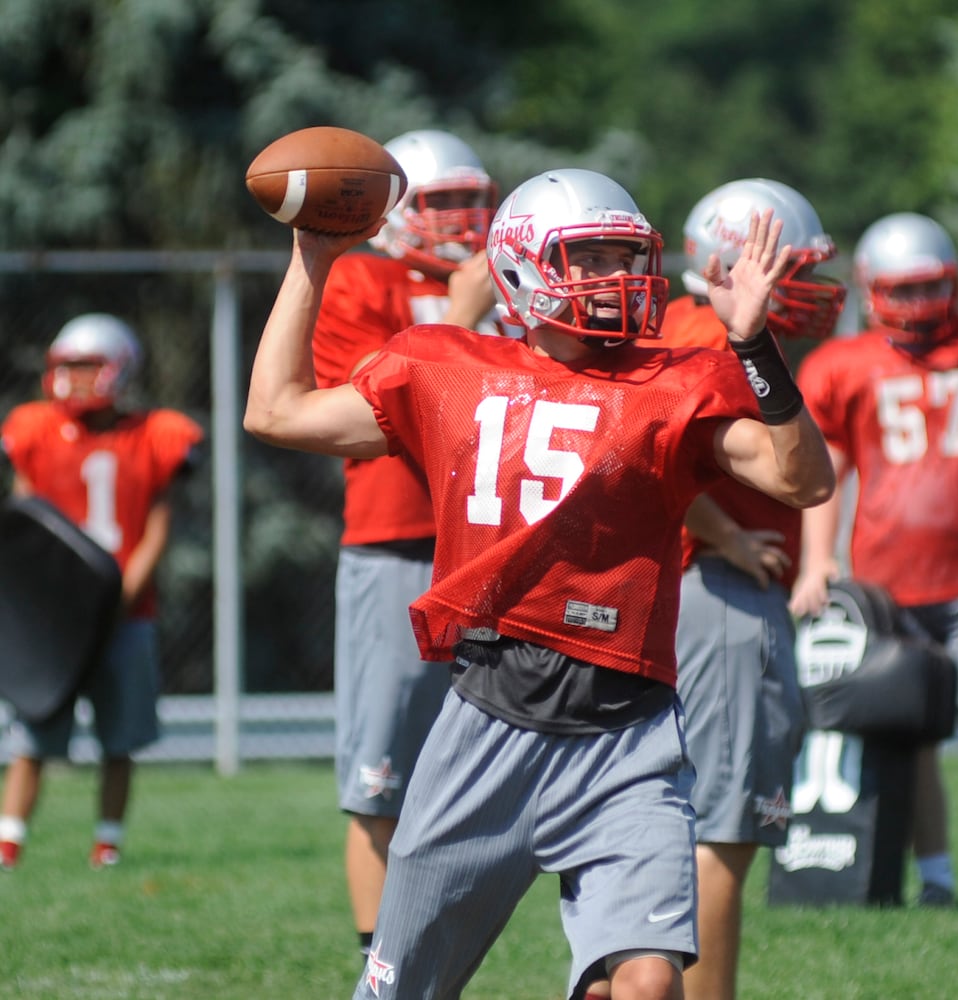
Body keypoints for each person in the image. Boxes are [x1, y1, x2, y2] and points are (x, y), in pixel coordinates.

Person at [243, 167, 835, 1000]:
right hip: (491, 718)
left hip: (627, 735)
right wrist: (311, 257)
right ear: (522, 266)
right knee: (398, 989)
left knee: (646, 985)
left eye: (623, 256)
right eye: (588, 257)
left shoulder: (676, 379)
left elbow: (802, 481)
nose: (614, 278)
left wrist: (755, 347)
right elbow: (276, 411)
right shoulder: (446, 364)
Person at [788, 211, 958, 910]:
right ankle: (936, 881)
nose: (918, 306)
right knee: (917, 740)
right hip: (886, 589)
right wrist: (815, 562)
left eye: (931, 288)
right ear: (870, 291)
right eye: (902, 290)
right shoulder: (843, 364)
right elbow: (822, 473)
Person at [312, 128, 501, 958]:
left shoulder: (515, 281)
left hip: (491, 550)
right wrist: (461, 320)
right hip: (396, 543)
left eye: (472, 198)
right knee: (380, 778)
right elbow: (357, 423)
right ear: (396, 210)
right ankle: (376, 964)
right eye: (442, 201)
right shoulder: (363, 278)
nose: (464, 217)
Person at [660, 177, 845, 1000]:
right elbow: (654, 460)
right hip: (720, 597)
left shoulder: (675, 327)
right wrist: (727, 535)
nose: (808, 288)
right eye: (790, 268)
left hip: (684, 594)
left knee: (679, 827)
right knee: (723, 830)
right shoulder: (713, 344)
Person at [0, 313, 203, 871]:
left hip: (126, 612)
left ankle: (107, 843)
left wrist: (114, 601)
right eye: (68, 366)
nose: (78, 378)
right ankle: (9, 843)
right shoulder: (35, 428)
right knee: (35, 732)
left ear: (122, 368)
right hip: (55, 618)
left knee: (120, 738)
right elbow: (24, 526)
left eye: (89, 366)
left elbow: (156, 531)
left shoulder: (155, 433)